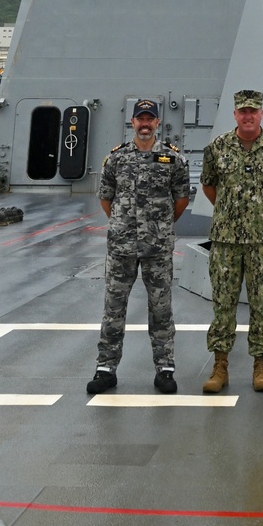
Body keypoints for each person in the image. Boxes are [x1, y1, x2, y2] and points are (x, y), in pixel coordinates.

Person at [87, 97, 190, 395]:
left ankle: (165, 368)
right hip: (121, 247)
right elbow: (106, 198)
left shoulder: (173, 159)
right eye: (140, 118)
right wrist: (124, 224)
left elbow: (181, 198)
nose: (145, 124)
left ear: (158, 122)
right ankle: (106, 368)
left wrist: (161, 226)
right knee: (114, 308)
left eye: (150, 118)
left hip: (157, 248)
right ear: (132, 122)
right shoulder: (116, 159)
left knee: (161, 309)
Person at [200, 89, 263, 393]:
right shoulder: (217, 148)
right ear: (235, 114)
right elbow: (209, 186)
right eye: (243, 111)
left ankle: (261, 366)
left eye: (253, 111)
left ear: (261, 114)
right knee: (223, 305)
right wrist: (230, 214)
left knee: (262, 305)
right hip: (226, 241)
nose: (248, 115)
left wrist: (262, 211)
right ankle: (220, 366)